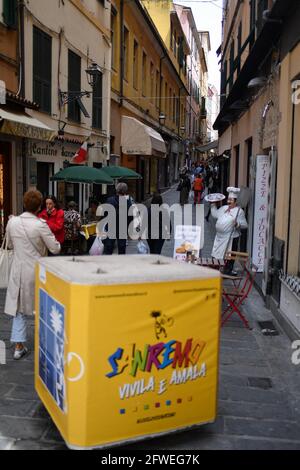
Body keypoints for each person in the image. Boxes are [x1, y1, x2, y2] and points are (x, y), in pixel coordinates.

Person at [4, 190, 61, 360]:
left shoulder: (12, 222)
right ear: (39, 207)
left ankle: (18, 347)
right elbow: (55, 248)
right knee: (41, 307)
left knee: (19, 310)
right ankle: (46, 344)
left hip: (18, 270)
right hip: (37, 271)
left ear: (24, 204)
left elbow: (10, 244)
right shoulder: (41, 225)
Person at [210, 187, 248, 274]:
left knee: (230, 256)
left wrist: (237, 224)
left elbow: (245, 225)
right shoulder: (224, 208)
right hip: (219, 237)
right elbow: (215, 214)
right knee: (217, 253)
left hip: (231, 237)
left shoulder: (239, 211)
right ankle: (217, 268)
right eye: (228, 199)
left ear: (236, 201)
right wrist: (213, 205)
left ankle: (228, 270)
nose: (229, 201)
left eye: (231, 200)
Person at [102, 182, 133, 255]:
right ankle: (120, 263)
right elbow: (131, 216)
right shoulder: (128, 201)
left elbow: (105, 214)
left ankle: (108, 264)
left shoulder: (110, 200)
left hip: (111, 227)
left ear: (117, 190)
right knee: (122, 248)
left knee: (109, 248)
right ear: (125, 191)